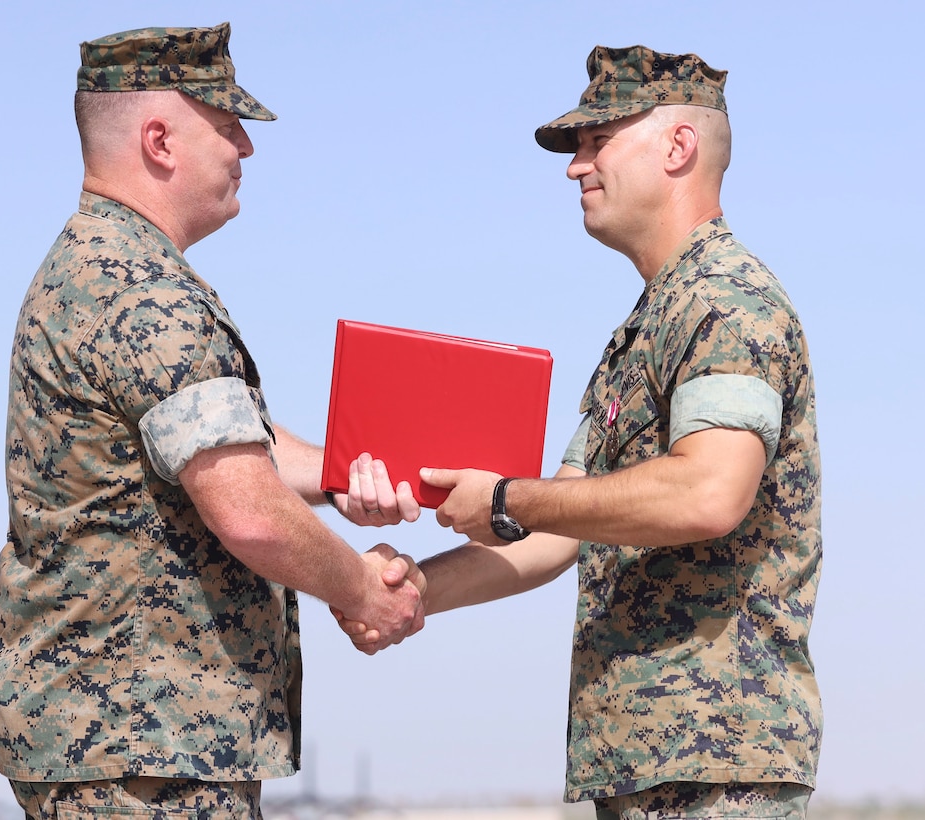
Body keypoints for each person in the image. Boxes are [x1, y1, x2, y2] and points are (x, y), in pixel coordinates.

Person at [341, 45, 823, 819]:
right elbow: (558, 526)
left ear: (678, 147)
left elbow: (708, 491)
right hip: (645, 763)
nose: (575, 167)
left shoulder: (726, 301)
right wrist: (413, 590)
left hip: (714, 763)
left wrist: (507, 496)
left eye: (598, 141)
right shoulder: (650, 323)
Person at [0, 22, 423, 820]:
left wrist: (340, 474)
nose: (245, 151)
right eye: (226, 128)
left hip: (115, 735)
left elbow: (227, 447)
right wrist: (362, 586)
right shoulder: (144, 292)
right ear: (159, 139)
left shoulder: (98, 269)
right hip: (142, 742)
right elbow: (248, 512)